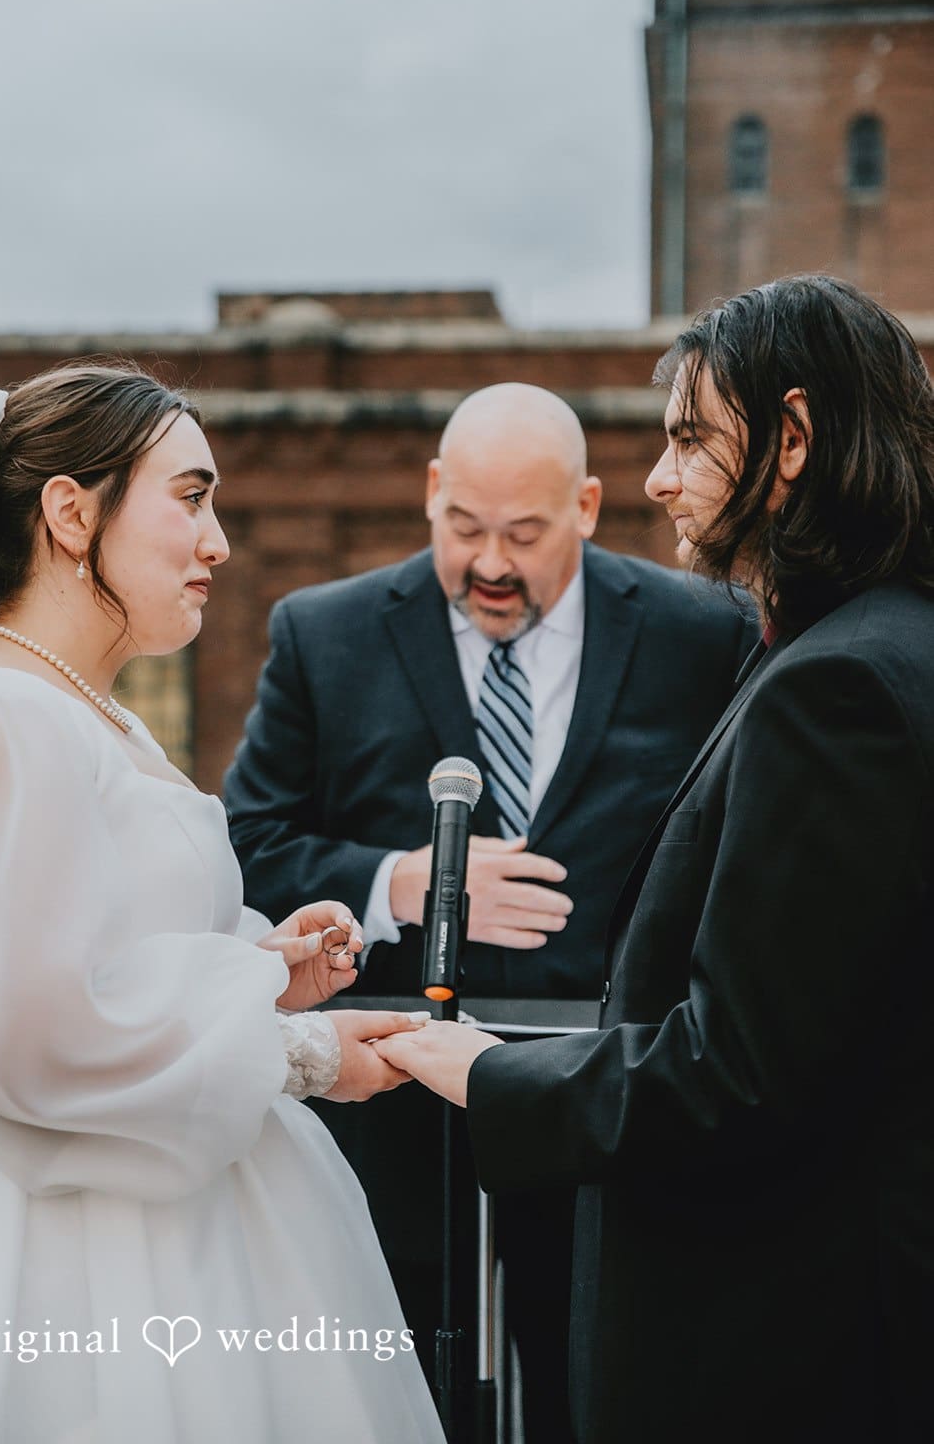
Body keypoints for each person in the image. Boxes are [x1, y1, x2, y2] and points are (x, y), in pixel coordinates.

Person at [376, 275, 934, 1444]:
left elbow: (738, 1076)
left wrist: (489, 1070)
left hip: (778, 1356)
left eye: (688, 436)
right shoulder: (880, 647)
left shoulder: (838, 691)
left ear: (791, 440)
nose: (658, 478)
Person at [0, 364, 446, 1444]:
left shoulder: (88, 716)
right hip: (39, 1251)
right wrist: (304, 1052)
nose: (218, 541)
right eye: (190, 496)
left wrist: (264, 965)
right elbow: (28, 1037)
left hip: (183, 1220)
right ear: (71, 513)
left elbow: (101, 950)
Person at [224, 382, 756, 1438]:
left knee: (591, 1394)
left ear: (590, 507)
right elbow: (246, 845)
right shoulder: (323, 636)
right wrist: (398, 882)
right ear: (431, 495)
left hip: (601, 1114)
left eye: (524, 532)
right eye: (464, 528)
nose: (491, 563)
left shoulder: (705, 632)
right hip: (396, 1124)